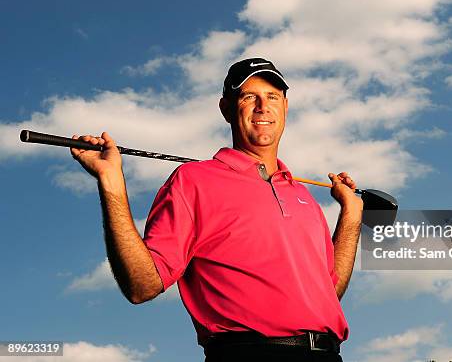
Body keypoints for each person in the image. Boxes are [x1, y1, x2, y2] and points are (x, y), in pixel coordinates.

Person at [70, 57, 363, 361]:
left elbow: (329, 293)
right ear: (226, 108)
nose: (263, 106)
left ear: (285, 107)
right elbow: (141, 284)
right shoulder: (192, 181)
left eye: (273, 96)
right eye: (250, 96)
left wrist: (351, 214)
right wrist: (111, 182)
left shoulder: (304, 197)